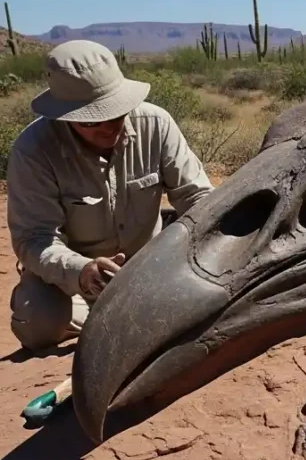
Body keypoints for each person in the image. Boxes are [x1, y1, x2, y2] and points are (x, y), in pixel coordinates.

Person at [7, 40, 214, 351]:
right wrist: (83, 271)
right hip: (76, 280)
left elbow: (199, 199)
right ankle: (100, 316)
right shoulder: (33, 150)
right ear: (64, 116)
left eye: (117, 111)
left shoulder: (156, 124)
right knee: (41, 321)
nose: (110, 126)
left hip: (151, 266)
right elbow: (35, 238)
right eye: (93, 120)